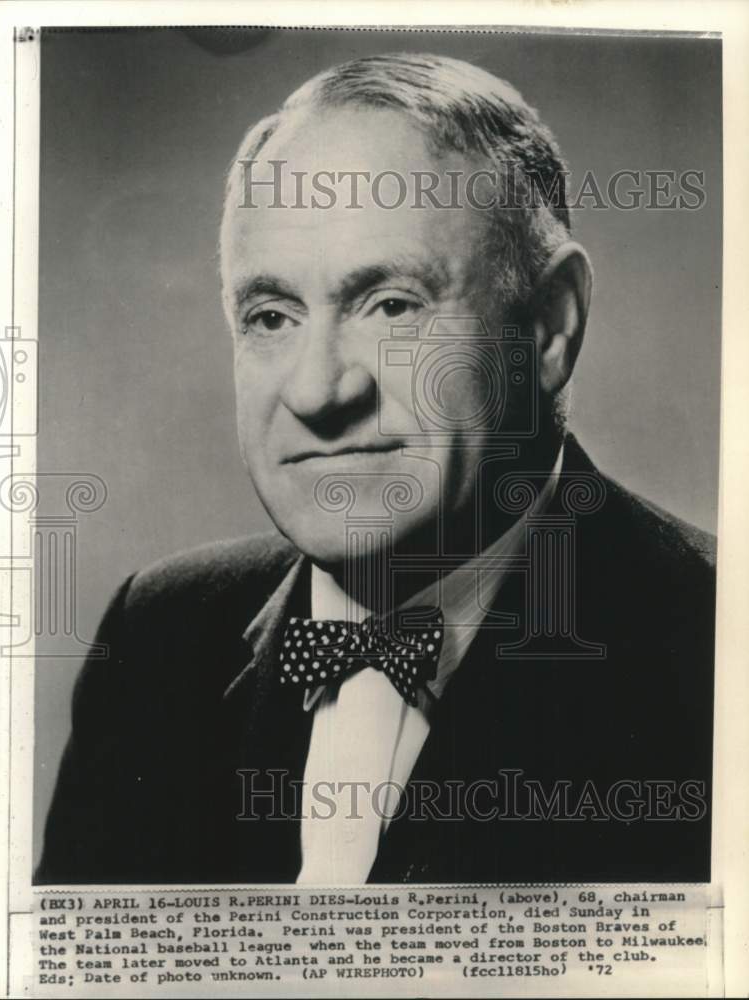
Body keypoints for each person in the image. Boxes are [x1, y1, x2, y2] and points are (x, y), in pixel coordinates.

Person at [36, 53, 715, 886]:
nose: (320, 391)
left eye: (392, 305)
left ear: (548, 327)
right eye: (271, 315)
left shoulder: (718, 647)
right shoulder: (158, 634)